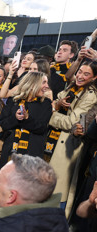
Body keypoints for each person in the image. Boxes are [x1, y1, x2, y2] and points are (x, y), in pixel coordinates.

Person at [48, 62, 97, 214]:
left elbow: (71, 123)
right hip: (53, 142)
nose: (80, 76)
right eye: (80, 72)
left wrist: (49, 114)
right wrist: (56, 104)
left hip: (69, 147)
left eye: (86, 74)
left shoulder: (91, 96)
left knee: (57, 192)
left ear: (94, 77)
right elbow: (56, 101)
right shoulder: (72, 87)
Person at [0, 71, 51, 170]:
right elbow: (3, 124)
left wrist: (27, 119)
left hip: (32, 155)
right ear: (32, 83)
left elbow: (42, 128)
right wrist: (16, 118)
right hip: (10, 151)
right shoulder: (13, 100)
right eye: (43, 82)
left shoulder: (46, 104)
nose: (47, 86)